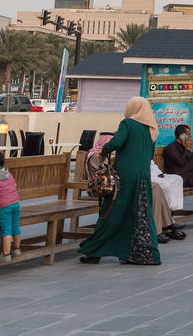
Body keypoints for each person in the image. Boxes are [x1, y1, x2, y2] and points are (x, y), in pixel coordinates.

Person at [79, 97, 161, 265]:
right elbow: (149, 153)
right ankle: (145, 254)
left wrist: (104, 150)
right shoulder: (150, 129)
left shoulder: (128, 123)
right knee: (140, 214)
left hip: (124, 176)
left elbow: (116, 142)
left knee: (111, 211)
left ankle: (94, 251)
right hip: (143, 177)